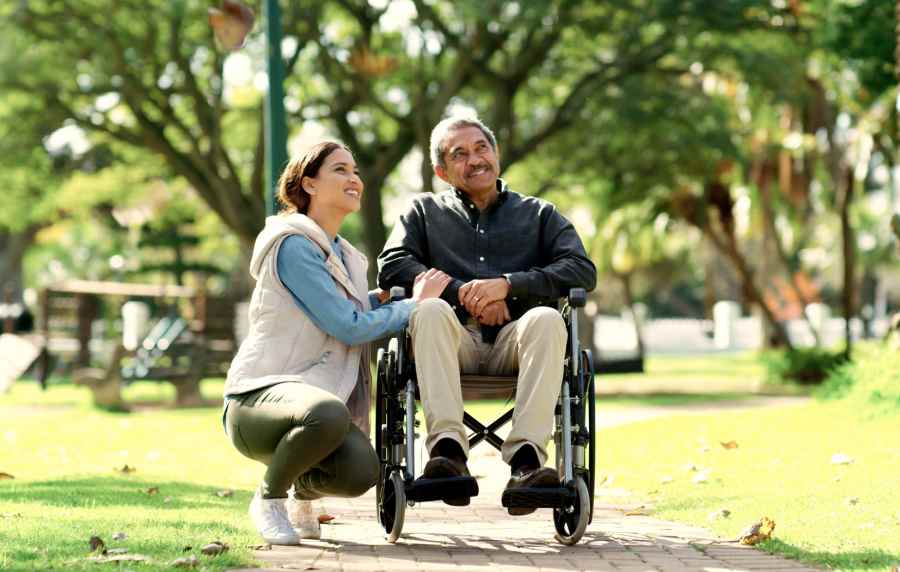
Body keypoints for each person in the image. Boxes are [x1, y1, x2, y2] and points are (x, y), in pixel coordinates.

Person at [224, 141, 451, 545]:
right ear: (308, 184)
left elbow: (331, 312)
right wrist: (416, 306)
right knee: (327, 414)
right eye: (340, 170)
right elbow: (347, 327)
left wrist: (379, 301)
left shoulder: (345, 255)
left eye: (356, 171)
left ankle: (300, 493)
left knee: (362, 471)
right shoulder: (293, 245)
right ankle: (268, 498)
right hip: (258, 399)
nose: (355, 179)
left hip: (311, 403)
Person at [377, 115, 597, 514]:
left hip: (517, 343)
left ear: (496, 155)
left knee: (549, 320)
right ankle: (447, 453)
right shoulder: (423, 212)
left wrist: (509, 287)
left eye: (481, 148)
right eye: (459, 154)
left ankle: (527, 463)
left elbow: (582, 270)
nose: (474, 159)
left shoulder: (539, 214)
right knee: (426, 311)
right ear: (442, 171)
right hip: (450, 341)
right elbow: (392, 266)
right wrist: (463, 293)